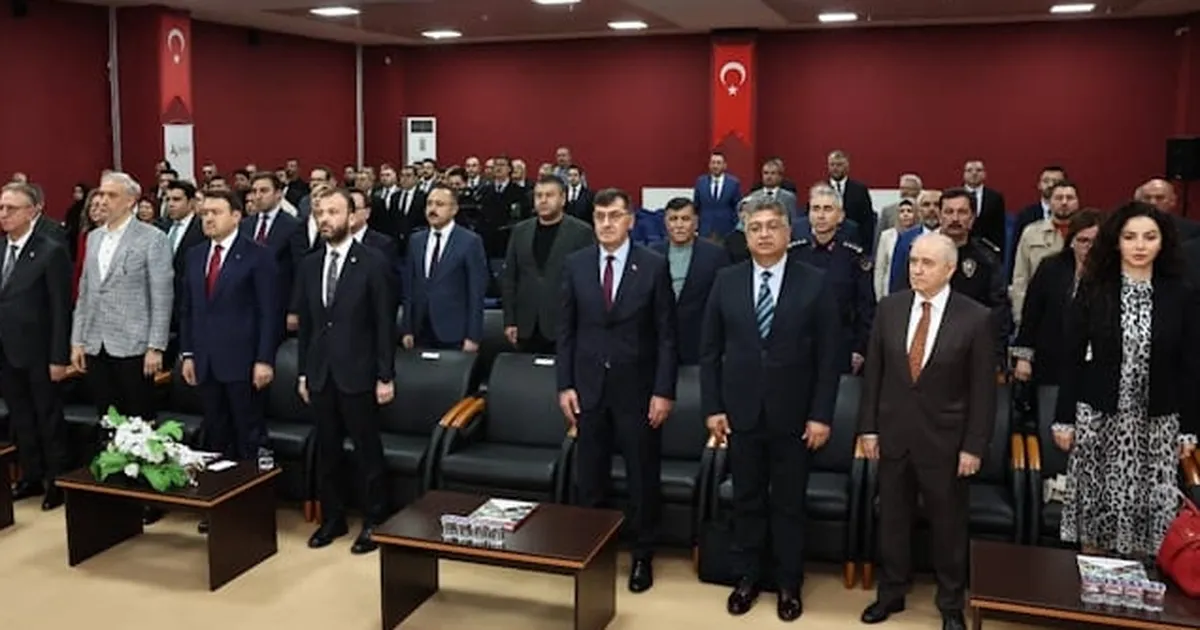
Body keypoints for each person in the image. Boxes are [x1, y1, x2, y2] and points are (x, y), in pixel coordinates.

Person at [700, 199, 839, 621]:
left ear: (787, 232)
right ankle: (747, 577)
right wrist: (713, 407)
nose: (763, 234)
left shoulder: (814, 282)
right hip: (740, 414)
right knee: (746, 500)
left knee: (789, 504)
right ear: (745, 234)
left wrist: (821, 414)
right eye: (755, 227)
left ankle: (788, 583)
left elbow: (829, 358)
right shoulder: (726, 280)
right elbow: (709, 352)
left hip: (795, 417)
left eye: (772, 226)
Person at [858, 233, 996, 630]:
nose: (917, 270)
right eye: (913, 261)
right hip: (894, 435)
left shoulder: (975, 317)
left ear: (950, 269)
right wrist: (868, 428)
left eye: (927, 263)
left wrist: (974, 446)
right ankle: (891, 592)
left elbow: (983, 391)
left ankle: (950, 602)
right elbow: (874, 375)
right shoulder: (890, 308)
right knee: (892, 520)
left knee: (948, 525)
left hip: (947, 442)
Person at [1056, 202, 1199, 559]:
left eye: (1149, 237)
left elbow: (1189, 365)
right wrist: (1063, 419)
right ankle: (1092, 583)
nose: (1139, 246)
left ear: (1163, 242)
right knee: (1096, 518)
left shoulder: (1180, 292)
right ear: (1116, 241)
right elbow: (1071, 358)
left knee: (1149, 525)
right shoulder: (1094, 288)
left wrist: (1189, 428)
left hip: (1157, 423)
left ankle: (1139, 587)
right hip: (1099, 417)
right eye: (1130, 237)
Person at [558, 187, 677, 593]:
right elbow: (566, 331)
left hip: (638, 392)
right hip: (589, 390)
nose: (606, 223)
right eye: (599, 216)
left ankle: (642, 554)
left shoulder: (653, 265)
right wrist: (565, 384)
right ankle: (594, 551)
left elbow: (666, 336)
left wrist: (663, 390)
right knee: (590, 478)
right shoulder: (576, 264)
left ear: (630, 220)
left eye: (614, 216)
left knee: (642, 477)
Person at [296, 189, 395, 555]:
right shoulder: (309, 264)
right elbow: (308, 326)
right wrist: (304, 373)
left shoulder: (373, 262)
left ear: (352, 217)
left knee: (367, 450)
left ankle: (374, 519)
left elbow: (384, 323)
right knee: (328, 450)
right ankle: (333, 518)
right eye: (320, 213)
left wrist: (385, 375)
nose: (325, 219)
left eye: (333, 212)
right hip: (321, 373)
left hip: (359, 372)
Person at [178, 189, 278, 462]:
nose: (208, 218)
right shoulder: (195, 255)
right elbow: (188, 309)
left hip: (244, 362)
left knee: (248, 434)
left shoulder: (258, 255)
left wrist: (264, 359)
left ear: (236, 216)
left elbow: (269, 313)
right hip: (206, 362)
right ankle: (221, 486)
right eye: (204, 213)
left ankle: (252, 486)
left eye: (216, 212)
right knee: (216, 434)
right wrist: (188, 354)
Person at [0, 182, 73, 511]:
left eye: (11, 208)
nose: (4, 214)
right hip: (6, 350)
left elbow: (60, 308)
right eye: (1, 208)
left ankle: (57, 480)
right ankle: (31, 475)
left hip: (40, 352)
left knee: (48, 417)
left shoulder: (50, 250)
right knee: (21, 417)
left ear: (31, 212)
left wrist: (59, 357)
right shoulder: (1, 248)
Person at [501, 175, 593, 354]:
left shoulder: (582, 232)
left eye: (549, 195)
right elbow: (510, 279)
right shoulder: (520, 231)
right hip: (526, 326)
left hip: (565, 326)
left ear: (563, 199)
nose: (543, 200)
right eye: (538, 195)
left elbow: (587, 283)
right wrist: (510, 321)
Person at [789, 185, 875, 374]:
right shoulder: (793, 254)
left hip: (840, 343)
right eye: (816, 209)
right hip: (798, 344)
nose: (821, 215)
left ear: (841, 216)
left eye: (828, 209)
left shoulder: (854, 257)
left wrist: (860, 348)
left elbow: (865, 307)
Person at [1011, 209, 1102, 386]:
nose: (1089, 246)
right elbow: (1032, 314)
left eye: (1095, 241)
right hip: (1051, 361)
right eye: (1083, 240)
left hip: (1096, 365)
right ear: (1072, 241)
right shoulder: (1051, 267)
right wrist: (1024, 357)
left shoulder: (1112, 273)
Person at [401, 184, 489, 351]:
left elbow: (476, 293)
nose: (433, 209)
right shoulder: (415, 241)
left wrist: (473, 335)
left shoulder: (470, 241)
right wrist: (407, 329)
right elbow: (409, 289)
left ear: (454, 209)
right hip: (420, 331)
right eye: (429, 203)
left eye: (440, 204)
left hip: (454, 332)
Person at [652, 198, 729, 365]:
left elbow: (724, 302)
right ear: (665, 222)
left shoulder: (716, 255)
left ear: (696, 222)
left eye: (685, 219)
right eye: (673, 219)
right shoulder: (651, 253)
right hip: (658, 346)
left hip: (699, 347)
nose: (679, 225)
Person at [874, 198, 916, 300]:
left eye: (909, 211)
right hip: (890, 287)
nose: (905, 214)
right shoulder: (886, 236)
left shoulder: (920, 235)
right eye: (902, 211)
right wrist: (879, 296)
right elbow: (880, 268)